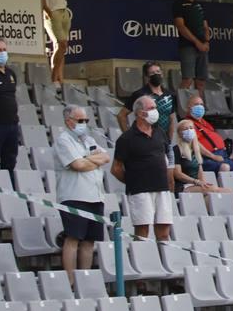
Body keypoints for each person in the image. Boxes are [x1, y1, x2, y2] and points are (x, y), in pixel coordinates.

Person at [55, 105, 109, 283]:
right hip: (74, 195)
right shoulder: (63, 140)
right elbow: (76, 165)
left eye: (86, 120)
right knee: (73, 238)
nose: (84, 123)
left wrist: (85, 159)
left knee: (89, 241)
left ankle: (84, 280)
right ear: (68, 121)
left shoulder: (88, 140)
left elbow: (106, 157)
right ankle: (70, 281)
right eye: (80, 120)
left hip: (95, 195)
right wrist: (92, 160)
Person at [113, 95, 173, 240]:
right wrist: (133, 181)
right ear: (140, 113)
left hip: (162, 188)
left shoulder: (160, 132)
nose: (155, 111)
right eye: (152, 108)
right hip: (140, 191)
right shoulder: (126, 138)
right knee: (142, 232)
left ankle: (162, 260)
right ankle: (141, 259)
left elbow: (168, 156)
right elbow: (116, 168)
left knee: (164, 231)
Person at [170, 0, 210, 92]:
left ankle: (200, 107)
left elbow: (206, 26)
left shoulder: (198, 5)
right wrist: (197, 42)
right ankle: (180, 107)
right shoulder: (178, 4)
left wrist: (206, 42)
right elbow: (181, 26)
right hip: (187, 46)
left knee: (201, 81)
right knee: (187, 80)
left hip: (203, 47)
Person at [117, 60, 177, 137]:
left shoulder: (170, 95)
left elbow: (171, 119)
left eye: (158, 71)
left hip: (164, 139)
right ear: (147, 76)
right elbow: (121, 115)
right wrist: (128, 136)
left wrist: (169, 140)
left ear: (162, 73)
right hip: (145, 138)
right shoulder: (139, 94)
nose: (156, 75)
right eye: (152, 73)